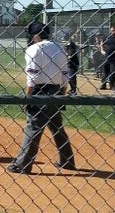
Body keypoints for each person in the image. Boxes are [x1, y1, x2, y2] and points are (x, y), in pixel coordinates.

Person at [6, 22, 75, 174]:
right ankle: (67, 161)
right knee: (57, 127)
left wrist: (27, 97)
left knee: (33, 126)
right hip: (57, 91)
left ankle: (22, 164)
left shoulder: (34, 49)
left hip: (39, 91)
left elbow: (32, 78)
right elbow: (65, 75)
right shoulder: (59, 47)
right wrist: (61, 93)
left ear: (35, 35)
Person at [100, 27, 115, 91]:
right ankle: (103, 85)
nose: (112, 32)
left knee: (112, 72)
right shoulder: (107, 37)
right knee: (104, 72)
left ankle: (112, 86)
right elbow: (101, 43)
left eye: (114, 31)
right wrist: (102, 50)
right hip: (106, 57)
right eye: (111, 30)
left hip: (114, 58)